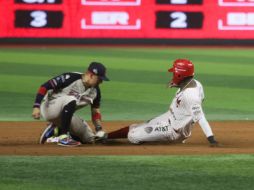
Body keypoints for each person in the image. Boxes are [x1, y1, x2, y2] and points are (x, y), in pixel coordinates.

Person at [107, 59, 219, 147]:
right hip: (169, 117)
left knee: (133, 136)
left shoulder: (190, 95)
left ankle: (161, 142)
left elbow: (201, 118)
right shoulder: (194, 83)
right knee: (139, 126)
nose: (173, 75)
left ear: (180, 75)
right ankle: (106, 136)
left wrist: (211, 139)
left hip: (173, 131)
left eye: (174, 72)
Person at [32, 62, 109, 147]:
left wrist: (99, 128)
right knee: (71, 98)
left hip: (65, 115)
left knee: (89, 138)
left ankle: (56, 131)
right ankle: (63, 137)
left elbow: (95, 110)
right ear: (91, 75)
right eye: (99, 79)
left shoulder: (95, 91)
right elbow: (44, 86)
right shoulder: (70, 78)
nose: (101, 82)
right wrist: (36, 106)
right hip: (49, 108)